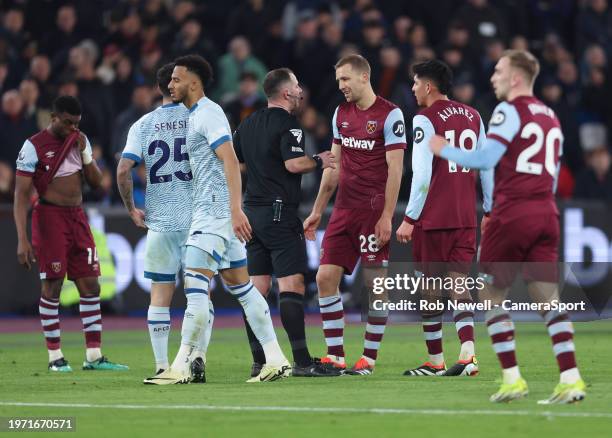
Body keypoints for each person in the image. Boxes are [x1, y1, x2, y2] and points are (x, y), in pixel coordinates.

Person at [430, 50, 586, 404]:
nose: (492, 77)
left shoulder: (508, 111)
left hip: (513, 212)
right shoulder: (551, 116)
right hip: (547, 213)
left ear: (516, 78)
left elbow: (485, 158)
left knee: (490, 296)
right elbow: (555, 174)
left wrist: (443, 149)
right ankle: (571, 378)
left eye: (498, 71)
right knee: (548, 299)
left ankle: (513, 379)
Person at [147, 55, 290, 385]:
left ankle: (180, 366)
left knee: (195, 288)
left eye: (176, 80)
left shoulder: (208, 114)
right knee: (244, 289)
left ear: (193, 83)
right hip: (214, 212)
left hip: (214, 213)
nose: (170, 85)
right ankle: (276, 358)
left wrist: (235, 209)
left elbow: (229, 160)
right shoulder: (196, 115)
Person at [303, 54, 406, 375]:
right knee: (324, 278)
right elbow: (332, 167)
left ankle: (369, 358)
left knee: (375, 286)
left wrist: (388, 215)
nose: (341, 86)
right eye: (338, 81)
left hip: (373, 211)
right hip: (344, 210)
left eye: (346, 79)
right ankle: (336, 356)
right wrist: (318, 210)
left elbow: (396, 169)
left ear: (364, 77)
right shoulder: (341, 114)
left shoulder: (390, 115)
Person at [233, 67, 337, 378]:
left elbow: (235, 163)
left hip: (251, 212)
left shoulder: (247, 124)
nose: (300, 91)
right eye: (296, 85)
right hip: (279, 213)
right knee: (291, 285)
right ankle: (302, 361)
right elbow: (294, 164)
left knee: (257, 290)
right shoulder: (289, 125)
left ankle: (259, 360)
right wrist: (319, 160)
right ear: (286, 93)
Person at [13, 95, 127, 372]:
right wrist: (22, 238)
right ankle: (55, 357)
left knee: (91, 285)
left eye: (76, 123)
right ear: (53, 118)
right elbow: (20, 195)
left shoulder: (79, 140)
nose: (72, 128)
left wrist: (85, 153)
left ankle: (94, 355)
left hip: (77, 217)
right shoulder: (33, 146)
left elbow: (98, 183)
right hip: (49, 218)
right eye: (67, 123)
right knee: (52, 285)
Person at [116, 63, 214, 383]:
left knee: (160, 294)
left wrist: (132, 209)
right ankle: (197, 356)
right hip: (197, 217)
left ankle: (161, 365)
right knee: (200, 293)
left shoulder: (142, 125)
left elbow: (122, 169)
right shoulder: (198, 117)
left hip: (159, 221)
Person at [396, 60, 493, 377]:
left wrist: (409, 217)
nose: (412, 89)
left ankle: (436, 361)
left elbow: (422, 173)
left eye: (414, 83)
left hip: (434, 217)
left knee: (430, 288)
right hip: (465, 215)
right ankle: (468, 354)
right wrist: (489, 210)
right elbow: (487, 166)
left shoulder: (424, 118)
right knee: (458, 284)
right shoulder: (474, 116)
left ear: (428, 86)